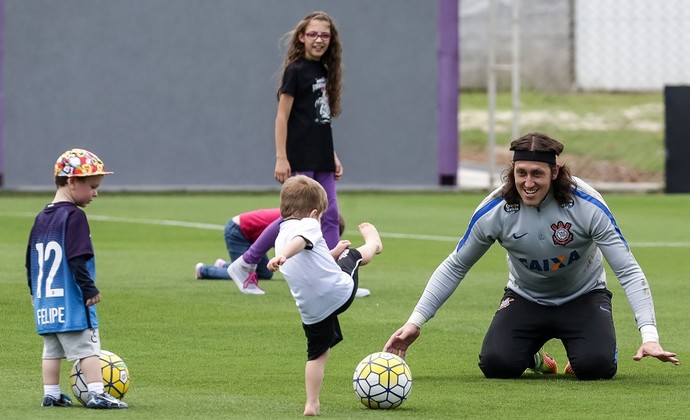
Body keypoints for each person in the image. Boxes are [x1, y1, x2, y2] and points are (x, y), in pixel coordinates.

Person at [383, 132, 679, 380]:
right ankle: (535, 357)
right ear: (512, 172)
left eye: (537, 173)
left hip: (584, 295)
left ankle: (582, 352)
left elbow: (627, 270)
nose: (528, 183)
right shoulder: (495, 210)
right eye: (520, 173)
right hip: (526, 297)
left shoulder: (588, 206)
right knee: (497, 366)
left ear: (554, 172)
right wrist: (415, 321)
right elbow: (456, 265)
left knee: (596, 368)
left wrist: (649, 336)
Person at [267, 175, 383, 416]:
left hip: (312, 310)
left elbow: (312, 261)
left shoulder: (280, 237)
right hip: (339, 292)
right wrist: (285, 256)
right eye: (320, 215)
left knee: (317, 355)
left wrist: (332, 252)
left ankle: (312, 403)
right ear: (313, 212)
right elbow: (301, 242)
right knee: (354, 256)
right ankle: (374, 242)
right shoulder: (307, 225)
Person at [25, 148, 128, 409]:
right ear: (72, 182)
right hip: (71, 300)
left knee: (51, 350)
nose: (95, 193)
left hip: (46, 301)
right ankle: (96, 392)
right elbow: (77, 257)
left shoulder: (41, 218)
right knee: (88, 347)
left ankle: (51, 394)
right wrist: (88, 288)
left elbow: (31, 262)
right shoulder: (74, 216)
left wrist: (34, 294)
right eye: (92, 186)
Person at [274, 10, 344, 250]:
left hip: (323, 157)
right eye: (313, 34)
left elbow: (321, 119)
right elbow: (282, 117)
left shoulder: (324, 71)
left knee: (331, 214)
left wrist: (332, 156)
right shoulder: (295, 71)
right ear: (302, 37)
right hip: (301, 156)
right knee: (295, 218)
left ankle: (336, 275)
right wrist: (281, 158)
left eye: (325, 35)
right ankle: (248, 261)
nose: (319, 39)